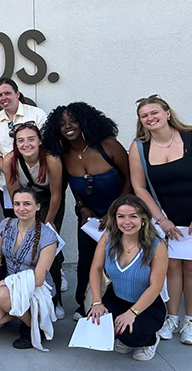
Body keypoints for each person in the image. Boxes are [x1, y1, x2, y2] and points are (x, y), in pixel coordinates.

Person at [130, 95, 192, 346]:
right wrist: (161, 220)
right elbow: (139, 188)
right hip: (166, 216)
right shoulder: (139, 147)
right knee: (170, 266)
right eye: (144, 116)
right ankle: (171, 317)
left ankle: (190, 321)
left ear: (167, 113)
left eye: (154, 113)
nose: (150, 118)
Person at [41, 102, 131, 319]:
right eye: (62, 123)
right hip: (90, 217)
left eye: (73, 121)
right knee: (87, 259)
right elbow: (74, 185)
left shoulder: (108, 145)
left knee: (121, 260)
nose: (68, 126)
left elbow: (130, 179)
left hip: (122, 213)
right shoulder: (65, 154)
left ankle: (120, 305)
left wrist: (115, 213)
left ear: (85, 122)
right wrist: (81, 206)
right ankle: (85, 304)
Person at [88, 195, 168, 361]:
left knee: (132, 333)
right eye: (121, 216)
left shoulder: (157, 245)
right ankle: (124, 336)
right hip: (116, 298)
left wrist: (132, 313)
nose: (127, 222)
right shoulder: (108, 238)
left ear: (144, 219)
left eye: (133, 216)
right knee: (95, 321)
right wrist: (97, 303)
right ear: (114, 219)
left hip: (146, 304)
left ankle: (150, 340)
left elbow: (156, 286)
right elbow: (95, 269)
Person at [0, 187, 59, 350]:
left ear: (38, 206)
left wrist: (3, 284)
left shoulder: (48, 236)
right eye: (17, 204)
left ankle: (36, 327)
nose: (21, 208)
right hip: (11, 289)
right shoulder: (6, 224)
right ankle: (28, 317)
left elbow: (38, 279)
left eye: (27, 204)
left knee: (1, 294)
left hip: (36, 290)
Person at [2, 123, 66, 316]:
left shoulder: (51, 159)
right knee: (28, 245)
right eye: (20, 140)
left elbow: (57, 194)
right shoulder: (10, 160)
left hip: (49, 202)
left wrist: (49, 222)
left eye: (31, 139)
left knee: (49, 247)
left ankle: (56, 301)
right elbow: (15, 197)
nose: (26, 144)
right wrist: (20, 219)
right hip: (25, 201)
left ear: (39, 141)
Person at [0, 78, 47, 217]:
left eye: (7, 93)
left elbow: (47, 146)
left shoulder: (37, 114)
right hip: (7, 186)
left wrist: (26, 171)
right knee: (15, 230)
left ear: (17, 94)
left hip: (37, 185)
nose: (3, 98)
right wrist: (11, 170)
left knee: (42, 231)